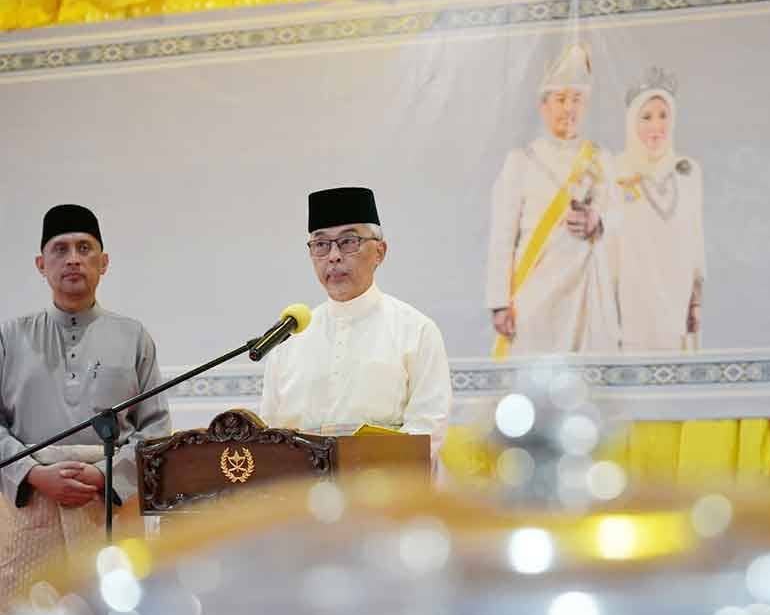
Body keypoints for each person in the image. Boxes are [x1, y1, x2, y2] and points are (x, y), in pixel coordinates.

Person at [0, 204, 171, 598]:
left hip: (108, 506)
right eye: (60, 249)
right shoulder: (8, 338)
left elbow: (156, 429)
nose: (73, 259)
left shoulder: (133, 336)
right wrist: (33, 474)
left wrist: (107, 477)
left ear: (104, 262)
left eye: (84, 247)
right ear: (41, 264)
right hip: (29, 507)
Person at [259, 187, 451, 459]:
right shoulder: (289, 337)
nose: (334, 256)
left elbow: (427, 432)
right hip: (300, 495)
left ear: (380, 252)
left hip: (386, 492)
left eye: (348, 241)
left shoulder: (416, 330)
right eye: (321, 244)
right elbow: (268, 435)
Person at [485, 42, 620, 357]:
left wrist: (597, 220)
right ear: (543, 106)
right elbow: (502, 237)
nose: (569, 109)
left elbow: (622, 219)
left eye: (577, 100)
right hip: (534, 293)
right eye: (560, 99)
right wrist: (499, 302)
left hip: (586, 293)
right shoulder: (522, 161)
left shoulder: (602, 159)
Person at [613, 68, 706, 352]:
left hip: (676, 299)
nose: (657, 126)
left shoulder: (688, 171)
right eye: (646, 117)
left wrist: (696, 300)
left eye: (663, 115)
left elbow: (695, 237)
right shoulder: (615, 170)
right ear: (632, 122)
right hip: (630, 301)